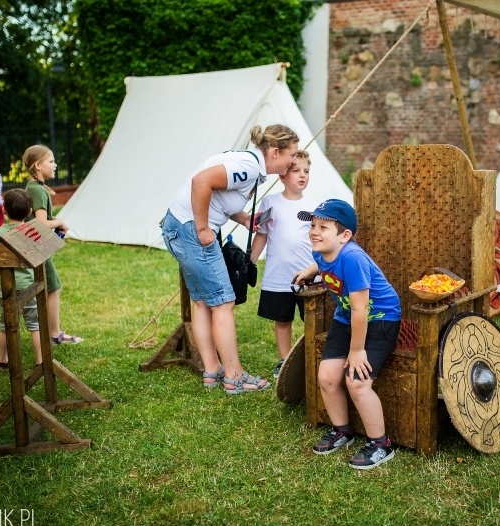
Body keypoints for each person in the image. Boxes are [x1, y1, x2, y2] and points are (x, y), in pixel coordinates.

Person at [161, 124, 299, 394]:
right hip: (192, 230)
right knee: (224, 303)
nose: (293, 160)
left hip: (178, 227)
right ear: (274, 152)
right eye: (291, 154)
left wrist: (245, 218)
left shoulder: (249, 166)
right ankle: (234, 377)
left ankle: (212, 371)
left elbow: (219, 196)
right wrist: (202, 228)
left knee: (202, 302)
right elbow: (201, 182)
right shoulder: (248, 167)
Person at [293, 199, 402, 470]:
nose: (314, 232)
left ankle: (381, 444)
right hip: (346, 318)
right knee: (327, 377)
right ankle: (342, 431)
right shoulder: (320, 251)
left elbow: (361, 310)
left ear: (344, 236)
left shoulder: (353, 258)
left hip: (380, 319)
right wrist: (310, 270)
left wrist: (356, 350)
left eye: (323, 227)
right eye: (313, 225)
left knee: (357, 382)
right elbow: (323, 264)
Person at [250, 150, 318, 378]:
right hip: (279, 277)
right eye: (296, 171)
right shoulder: (270, 202)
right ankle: (285, 360)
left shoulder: (314, 206)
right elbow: (262, 235)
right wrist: (249, 260)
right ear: (282, 176)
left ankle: (313, 358)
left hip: (307, 276)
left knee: (312, 318)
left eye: (306, 171)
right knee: (282, 320)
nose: (302, 175)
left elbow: (319, 240)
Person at [23, 145, 83, 345]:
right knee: (54, 288)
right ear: (38, 165)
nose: (55, 165)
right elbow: (40, 224)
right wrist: (58, 222)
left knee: (50, 288)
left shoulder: (33, 187)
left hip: (35, 247)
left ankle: (52, 332)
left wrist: (55, 220)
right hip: (38, 248)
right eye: (51, 161)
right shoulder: (38, 191)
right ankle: (54, 334)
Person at [0, 189, 44, 371]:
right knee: (35, 325)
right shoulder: (32, 231)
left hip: (6, 289)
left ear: (4, 209)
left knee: (5, 325)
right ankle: (41, 360)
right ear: (29, 211)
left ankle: (2, 360)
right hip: (29, 288)